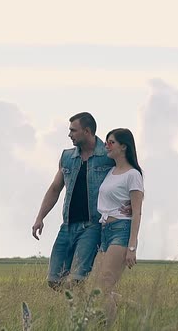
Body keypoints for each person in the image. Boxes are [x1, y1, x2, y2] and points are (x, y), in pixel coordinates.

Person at [32, 112, 116, 290]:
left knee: (77, 279)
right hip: (67, 225)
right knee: (54, 280)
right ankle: (99, 304)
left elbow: (127, 179)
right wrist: (40, 217)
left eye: (73, 130)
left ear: (87, 131)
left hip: (92, 226)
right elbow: (55, 188)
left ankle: (84, 313)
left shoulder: (108, 156)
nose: (69, 134)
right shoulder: (67, 157)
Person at [94, 128, 144, 324]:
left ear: (124, 146)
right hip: (104, 231)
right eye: (106, 141)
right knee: (97, 288)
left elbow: (137, 211)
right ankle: (136, 309)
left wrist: (132, 247)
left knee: (104, 285)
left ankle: (106, 325)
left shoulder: (133, 175)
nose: (107, 145)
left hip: (121, 231)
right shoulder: (110, 172)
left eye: (111, 142)